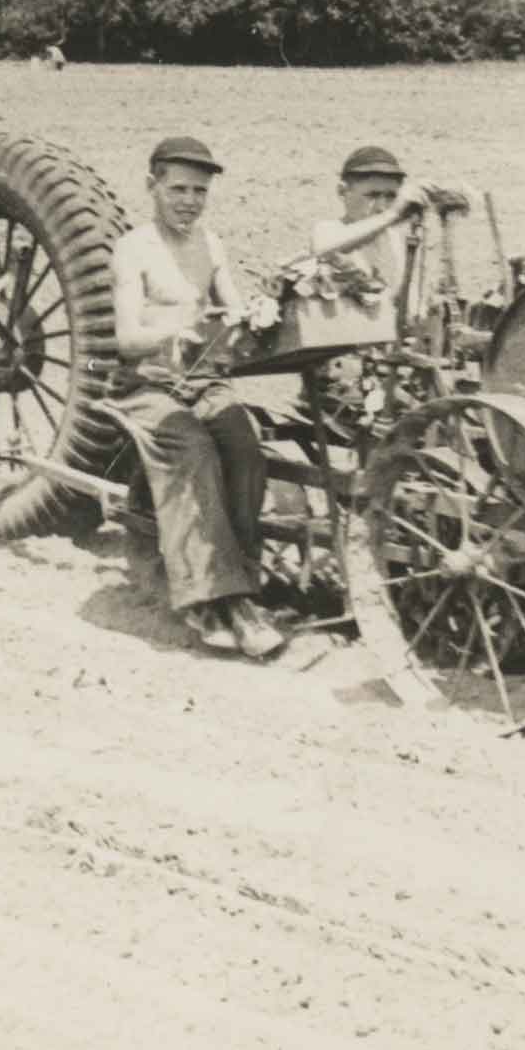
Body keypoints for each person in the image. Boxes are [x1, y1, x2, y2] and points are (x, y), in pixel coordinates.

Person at [109, 136, 282, 658]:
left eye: (200, 192)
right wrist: (171, 333)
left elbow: (232, 310)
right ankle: (210, 600)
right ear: (152, 186)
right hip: (146, 383)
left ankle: (242, 588)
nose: (189, 200)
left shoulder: (211, 245)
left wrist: (256, 312)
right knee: (194, 454)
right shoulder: (134, 248)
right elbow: (125, 340)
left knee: (246, 451)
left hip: (203, 381)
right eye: (178, 189)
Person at [306, 145, 433, 300]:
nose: (381, 206)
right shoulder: (329, 230)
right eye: (372, 195)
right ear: (342, 192)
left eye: (391, 196)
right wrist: (392, 214)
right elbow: (323, 248)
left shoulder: (399, 240)